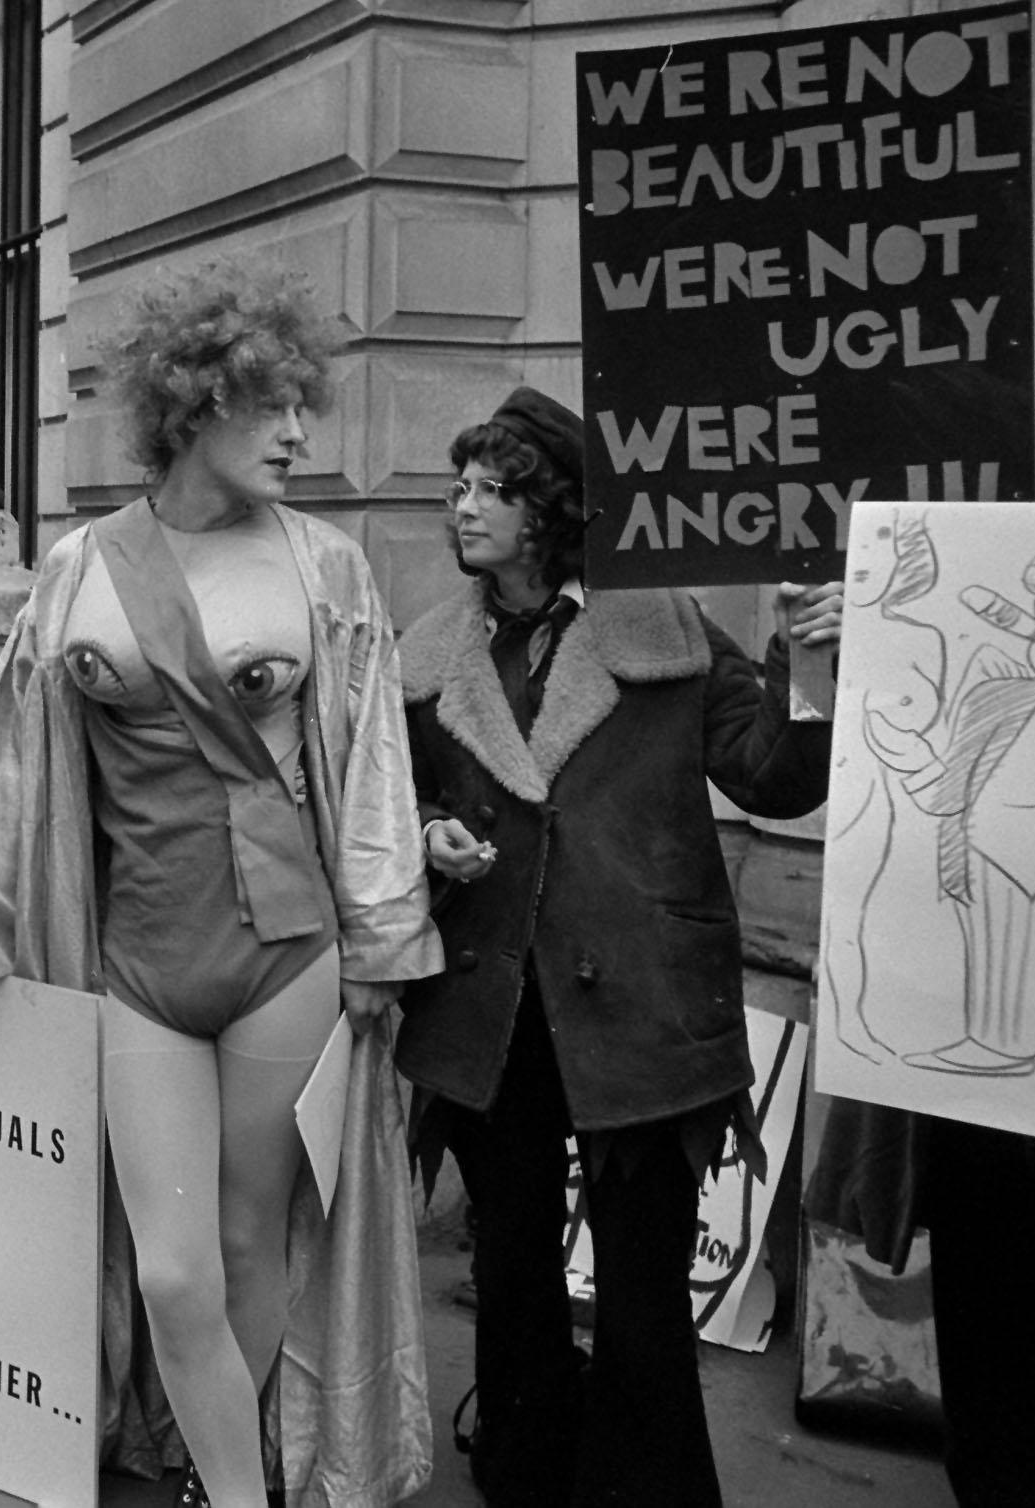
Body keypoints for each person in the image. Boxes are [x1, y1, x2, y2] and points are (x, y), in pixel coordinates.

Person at [0, 266, 441, 1508]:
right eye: (266, 404)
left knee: (243, 1240)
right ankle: (229, 1473)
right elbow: (10, 761)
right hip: (141, 960)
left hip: (289, 957)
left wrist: (382, 936)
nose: (296, 432)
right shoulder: (78, 570)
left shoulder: (325, 567)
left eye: (297, 405)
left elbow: (372, 759)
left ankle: (229, 1489)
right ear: (190, 402)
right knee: (170, 1270)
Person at [396, 387, 839, 1507]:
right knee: (511, 1267)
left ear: (548, 508)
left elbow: (776, 776)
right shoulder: (427, 651)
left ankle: (645, 1488)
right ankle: (526, 1467)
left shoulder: (668, 627)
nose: (463, 506)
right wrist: (423, 839)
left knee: (643, 1280)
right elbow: (381, 809)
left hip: (639, 1004)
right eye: (460, 486)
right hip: (490, 1009)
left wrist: (815, 660)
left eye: (490, 488)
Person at [809, 399, 1035, 1508]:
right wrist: (853, 656)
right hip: (995, 1103)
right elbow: (916, 787)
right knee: (992, 1361)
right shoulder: (997, 672)